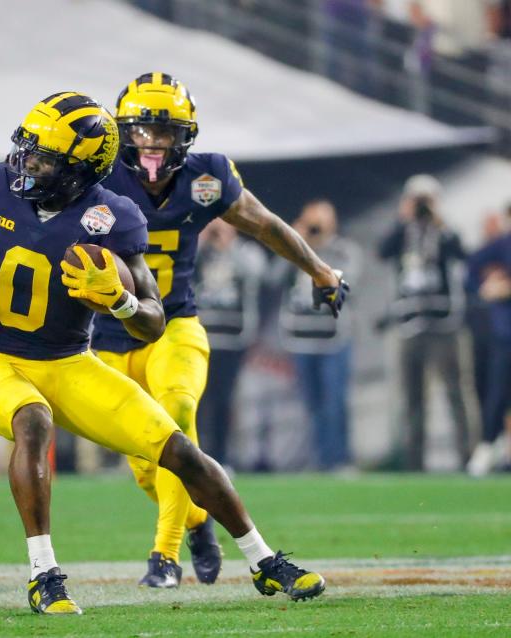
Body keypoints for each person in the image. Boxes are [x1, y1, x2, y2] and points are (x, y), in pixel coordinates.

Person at [0, 91, 333, 612]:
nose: (27, 163)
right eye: (28, 150)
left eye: (44, 157)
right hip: (1, 359)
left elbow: (154, 321)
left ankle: (265, 560)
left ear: (79, 168)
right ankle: (45, 576)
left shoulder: (113, 216)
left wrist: (123, 301)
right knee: (33, 421)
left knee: (179, 450)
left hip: (70, 362)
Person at [91, 73, 350, 589]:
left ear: (186, 136)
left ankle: (163, 558)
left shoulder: (206, 177)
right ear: (123, 131)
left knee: (178, 416)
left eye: (165, 132)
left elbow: (263, 223)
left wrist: (319, 269)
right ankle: (198, 520)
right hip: (108, 337)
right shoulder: (96, 179)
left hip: (175, 326)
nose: (152, 143)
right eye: (141, 130)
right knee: (147, 466)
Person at [378, 174, 472, 471]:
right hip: (409, 324)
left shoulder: (444, 232)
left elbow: (461, 252)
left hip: (444, 324)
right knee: (413, 399)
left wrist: (438, 220)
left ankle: (468, 458)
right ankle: (414, 463)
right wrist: (403, 219)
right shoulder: (404, 233)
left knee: (456, 393)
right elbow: (383, 251)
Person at [270, 199, 362, 471]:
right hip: (301, 339)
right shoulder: (294, 249)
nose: (316, 226)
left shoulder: (343, 251)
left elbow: (348, 283)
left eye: (321, 221)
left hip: (334, 338)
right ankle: (322, 459)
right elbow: (273, 278)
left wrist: (316, 253)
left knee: (335, 402)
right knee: (313, 405)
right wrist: (291, 243)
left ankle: (340, 460)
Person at [194, 219, 265, 467]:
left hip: (232, 339)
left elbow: (257, 273)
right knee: (195, 400)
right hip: (199, 337)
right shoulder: (200, 251)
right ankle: (194, 457)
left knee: (223, 401)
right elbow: (182, 266)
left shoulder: (246, 252)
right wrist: (203, 240)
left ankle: (220, 458)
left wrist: (229, 245)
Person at [465, 204, 511, 476]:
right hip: (505, 334)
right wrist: (489, 285)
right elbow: (471, 268)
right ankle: (488, 445)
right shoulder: (503, 244)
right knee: (497, 393)